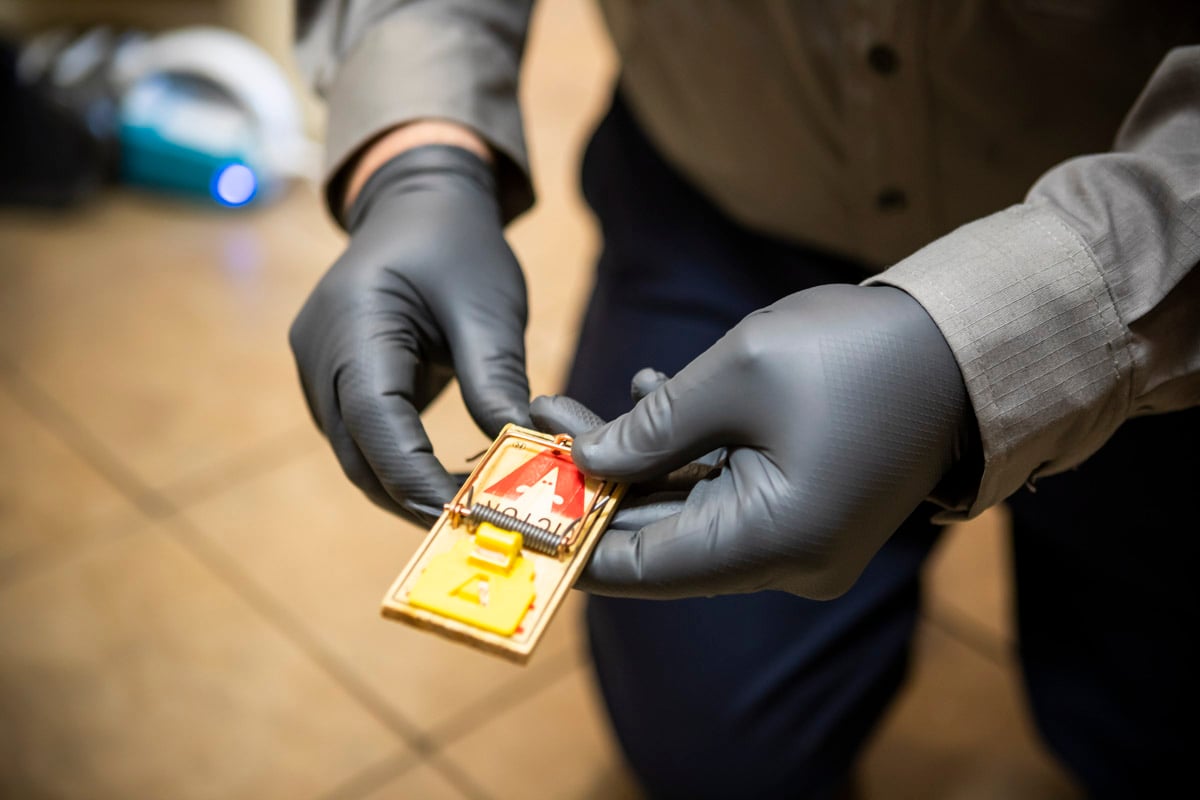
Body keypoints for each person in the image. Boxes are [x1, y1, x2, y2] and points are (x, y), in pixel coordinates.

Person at [288, 3, 1200, 797]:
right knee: (717, 752)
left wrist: (1049, 328)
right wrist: (415, 154)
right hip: (726, 201)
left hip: (1139, 246)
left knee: (1146, 743)